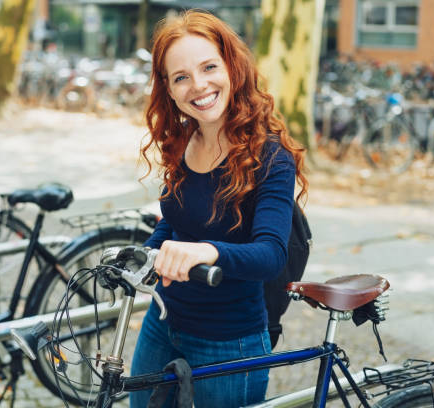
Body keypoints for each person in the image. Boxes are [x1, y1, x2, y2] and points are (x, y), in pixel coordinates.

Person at [131, 9, 308, 407]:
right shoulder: (183, 140)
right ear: (169, 89)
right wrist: (144, 252)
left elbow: (271, 255)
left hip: (230, 339)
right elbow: (174, 223)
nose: (199, 85)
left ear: (232, 66)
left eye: (209, 67)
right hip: (163, 321)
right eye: (181, 77)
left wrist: (206, 250)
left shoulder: (270, 156)